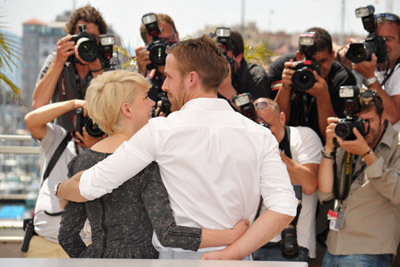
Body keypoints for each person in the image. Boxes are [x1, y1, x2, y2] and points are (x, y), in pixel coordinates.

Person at [56, 35, 297, 260]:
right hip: (239, 258)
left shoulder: (160, 131)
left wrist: (60, 189)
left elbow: (92, 186)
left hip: (178, 258)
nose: (163, 86)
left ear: (191, 78)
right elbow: (284, 207)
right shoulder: (259, 135)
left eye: (169, 77)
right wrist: (230, 255)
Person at [58, 70, 248, 258]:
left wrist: (92, 259)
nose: (153, 102)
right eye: (146, 97)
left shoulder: (81, 161)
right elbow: (168, 234)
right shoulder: (147, 161)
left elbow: (67, 237)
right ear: (127, 109)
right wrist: (230, 235)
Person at [318, 89, 400, 266]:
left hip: (369, 251)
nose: (363, 127)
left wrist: (366, 153)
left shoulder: (397, 144)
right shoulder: (348, 141)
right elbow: (325, 194)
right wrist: (329, 148)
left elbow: (398, 193)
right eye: (358, 121)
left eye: (368, 121)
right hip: (333, 247)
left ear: (383, 116)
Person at [23, 99, 103, 257]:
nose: (91, 126)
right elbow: (31, 121)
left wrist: (96, 148)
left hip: (86, 244)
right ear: (76, 120)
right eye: (86, 120)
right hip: (44, 241)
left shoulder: (110, 149)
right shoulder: (59, 139)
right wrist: (74, 104)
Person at [251, 98, 321, 262]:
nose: (264, 132)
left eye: (269, 126)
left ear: (282, 118)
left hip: (289, 243)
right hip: (249, 240)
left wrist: (271, 150)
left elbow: (310, 185)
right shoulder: (246, 143)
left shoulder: (303, 136)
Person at [32, 5, 119, 132]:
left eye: (92, 38)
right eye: (82, 37)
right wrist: (58, 62)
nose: (87, 44)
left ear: (100, 40)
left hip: (102, 142)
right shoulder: (56, 60)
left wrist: (97, 68)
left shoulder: (110, 59)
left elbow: (115, 105)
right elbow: (39, 105)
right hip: (64, 144)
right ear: (70, 37)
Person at [268, 27, 356, 141]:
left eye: (322, 61)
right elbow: (275, 127)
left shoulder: (342, 78)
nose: (316, 68)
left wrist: (323, 96)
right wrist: (285, 88)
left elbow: (334, 138)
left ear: (332, 57)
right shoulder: (283, 68)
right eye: (311, 62)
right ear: (299, 57)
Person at [337, 12, 400, 132]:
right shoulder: (366, 63)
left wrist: (370, 77)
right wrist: (343, 55)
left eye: (388, 39)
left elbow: (392, 117)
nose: (382, 45)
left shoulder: (396, 71)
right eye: (377, 39)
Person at [217, 30, 269, 104]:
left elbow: (259, 113)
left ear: (238, 57)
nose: (219, 62)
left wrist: (230, 93)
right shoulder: (208, 75)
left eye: (223, 55)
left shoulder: (255, 76)